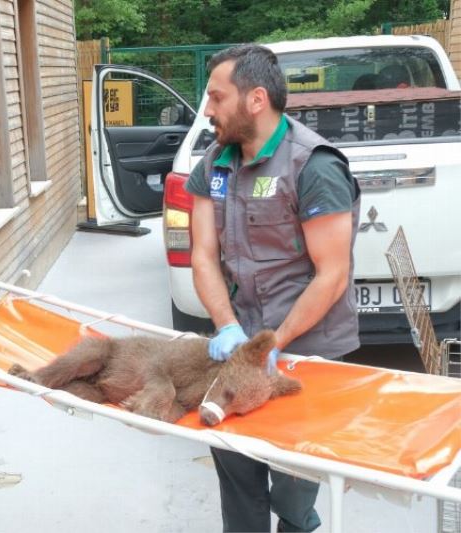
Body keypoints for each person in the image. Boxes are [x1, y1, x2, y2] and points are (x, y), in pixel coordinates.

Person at [185, 44, 361, 532]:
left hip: (306, 349)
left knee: (292, 481)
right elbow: (202, 254)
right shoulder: (214, 164)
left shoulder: (314, 166)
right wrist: (226, 327)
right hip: (238, 344)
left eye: (217, 97)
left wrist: (275, 343)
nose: (207, 110)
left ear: (256, 100)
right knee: (235, 465)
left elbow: (332, 274)